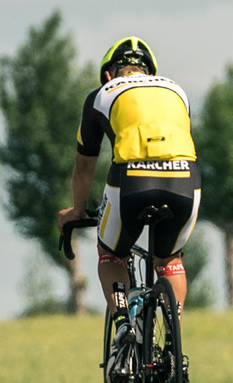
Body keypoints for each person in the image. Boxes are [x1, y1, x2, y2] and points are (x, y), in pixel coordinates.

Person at [57, 37, 199, 321]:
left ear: (108, 75)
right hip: (186, 177)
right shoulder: (176, 91)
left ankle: (123, 322)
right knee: (170, 259)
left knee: (110, 253)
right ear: (150, 72)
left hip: (132, 179)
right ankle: (173, 334)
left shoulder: (102, 94)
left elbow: (84, 166)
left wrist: (77, 210)